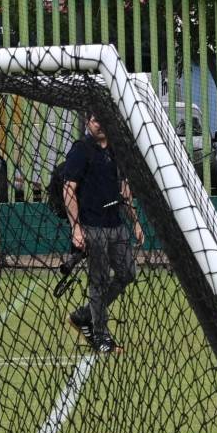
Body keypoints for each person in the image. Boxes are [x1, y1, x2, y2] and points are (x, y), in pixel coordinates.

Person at [59, 113, 145, 354]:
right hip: (92, 227)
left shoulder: (116, 149)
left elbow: (124, 189)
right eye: (96, 120)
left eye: (103, 119)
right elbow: (69, 188)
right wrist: (76, 229)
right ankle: (101, 336)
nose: (100, 124)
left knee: (127, 273)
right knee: (98, 281)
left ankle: (84, 315)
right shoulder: (81, 149)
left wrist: (135, 222)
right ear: (88, 122)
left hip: (116, 225)